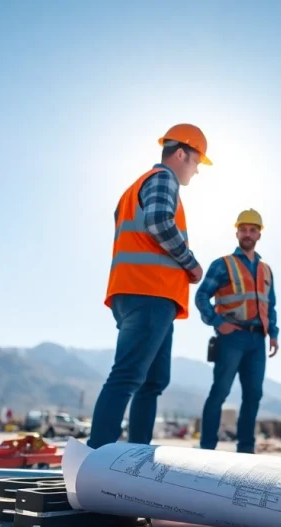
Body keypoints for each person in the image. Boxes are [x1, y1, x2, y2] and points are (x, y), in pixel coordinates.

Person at [87, 123, 211, 449]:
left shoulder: (135, 187)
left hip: (143, 295)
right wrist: (191, 262)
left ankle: (136, 456)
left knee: (153, 381)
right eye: (197, 162)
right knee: (128, 376)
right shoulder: (162, 179)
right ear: (181, 153)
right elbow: (159, 221)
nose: (197, 171)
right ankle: (95, 460)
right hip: (149, 293)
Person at [196, 209, 278, 454]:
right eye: (243, 229)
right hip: (231, 337)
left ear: (259, 235)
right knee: (220, 391)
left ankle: (245, 450)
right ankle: (207, 448)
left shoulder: (266, 270)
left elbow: (270, 304)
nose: (247, 234)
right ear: (237, 232)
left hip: (257, 340)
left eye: (253, 230)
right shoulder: (223, 265)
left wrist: (273, 333)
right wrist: (216, 321)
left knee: (253, 395)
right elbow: (201, 296)